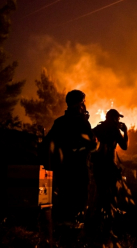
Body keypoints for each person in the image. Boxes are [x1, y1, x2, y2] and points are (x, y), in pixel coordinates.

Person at [43, 89, 97, 225]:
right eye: (83, 103)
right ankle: (74, 236)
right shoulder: (82, 123)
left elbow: (47, 144)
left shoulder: (59, 122)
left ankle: (61, 236)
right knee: (79, 205)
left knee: (64, 203)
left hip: (63, 171)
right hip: (79, 171)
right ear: (79, 104)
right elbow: (92, 145)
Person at [90, 109, 128, 242]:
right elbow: (124, 146)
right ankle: (107, 232)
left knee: (99, 197)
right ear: (114, 119)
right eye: (117, 119)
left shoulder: (98, 128)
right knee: (109, 199)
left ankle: (93, 229)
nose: (119, 121)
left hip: (98, 168)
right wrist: (125, 131)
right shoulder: (114, 130)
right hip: (109, 168)